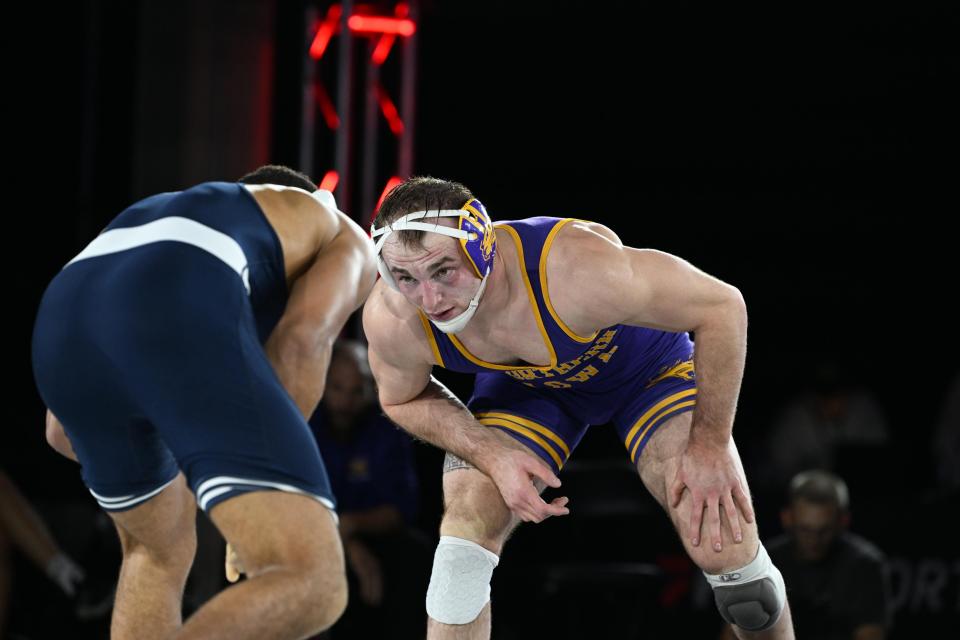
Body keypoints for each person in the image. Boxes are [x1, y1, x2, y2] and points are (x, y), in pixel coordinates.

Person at [362, 177, 795, 639]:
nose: (430, 300)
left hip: (647, 373)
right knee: (460, 552)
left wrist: (709, 443)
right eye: (405, 277)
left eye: (443, 271)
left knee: (732, 567)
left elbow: (723, 306)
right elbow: (399, 397)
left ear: (482, 249)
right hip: (530, 388)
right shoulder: (395, 317)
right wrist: (492, 453)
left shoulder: (574, 270)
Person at [31, 165, 377, 640]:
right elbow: (300, 340)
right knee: (311, 579)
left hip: (61, 318)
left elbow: (58, 432)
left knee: (156, 552)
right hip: (179, 290)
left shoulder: (182, 212)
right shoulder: (333, 223)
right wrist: (262, 482)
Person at [307, 339, 431, 638]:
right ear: (324, 384)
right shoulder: (307, 424)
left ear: (370, 388)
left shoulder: (389, 427)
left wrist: (350, 526)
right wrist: (349, 545)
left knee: (416, 556)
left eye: (356, 389)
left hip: (377, 537)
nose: (345, 401)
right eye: (337, 388)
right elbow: (298, 504)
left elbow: (401, 509)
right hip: (318, 537)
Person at [722, 470, 888, 640]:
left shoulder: (865, 566)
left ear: (842, 522)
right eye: (805, 530)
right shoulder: (765, 562)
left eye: (824, 531)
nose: (814, 540)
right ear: (787, 518)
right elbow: (733, 634)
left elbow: (870, 634)